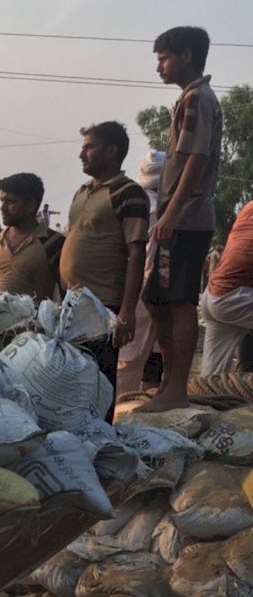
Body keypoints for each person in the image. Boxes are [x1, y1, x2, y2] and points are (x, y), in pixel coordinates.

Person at [140, 27, 222, 412]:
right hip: (177, 219)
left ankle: (176, 389)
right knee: (156, 297)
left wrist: (170, 213)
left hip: (186, 219)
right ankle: (169, 384)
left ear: (186, 56)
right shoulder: (188, 99)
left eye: (164, 58)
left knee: (179, 301)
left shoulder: (197, 99)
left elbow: (197, 159)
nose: (159, 66)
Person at [60, 121, 149, 414]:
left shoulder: (129, 193)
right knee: (70, 381)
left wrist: (126, 312)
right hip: (71, 303)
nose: (81, 154)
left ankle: (101, 445)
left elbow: (136, 253)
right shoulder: (82, 192)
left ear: (111, 151)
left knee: (98, 386)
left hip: (102, 306)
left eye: (89, 147)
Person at [0, 173, 64, 309]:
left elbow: (67, 293)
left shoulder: (53, 243)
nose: (2, 208)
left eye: (10, 202)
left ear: (30, 205)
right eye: (2, 201)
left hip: (32, 329)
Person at [116, 150, 166, 396]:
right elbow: (149, 259)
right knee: (130, 359)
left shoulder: (131, 201)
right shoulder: (154, 210)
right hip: (143, 290)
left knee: (152, 352)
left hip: (130, 288)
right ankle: (120, 410)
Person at [199, 201, 253, 375]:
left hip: (214, 296)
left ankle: (207, 399)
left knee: (210, 379)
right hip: (235, 298)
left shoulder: (249, 207)